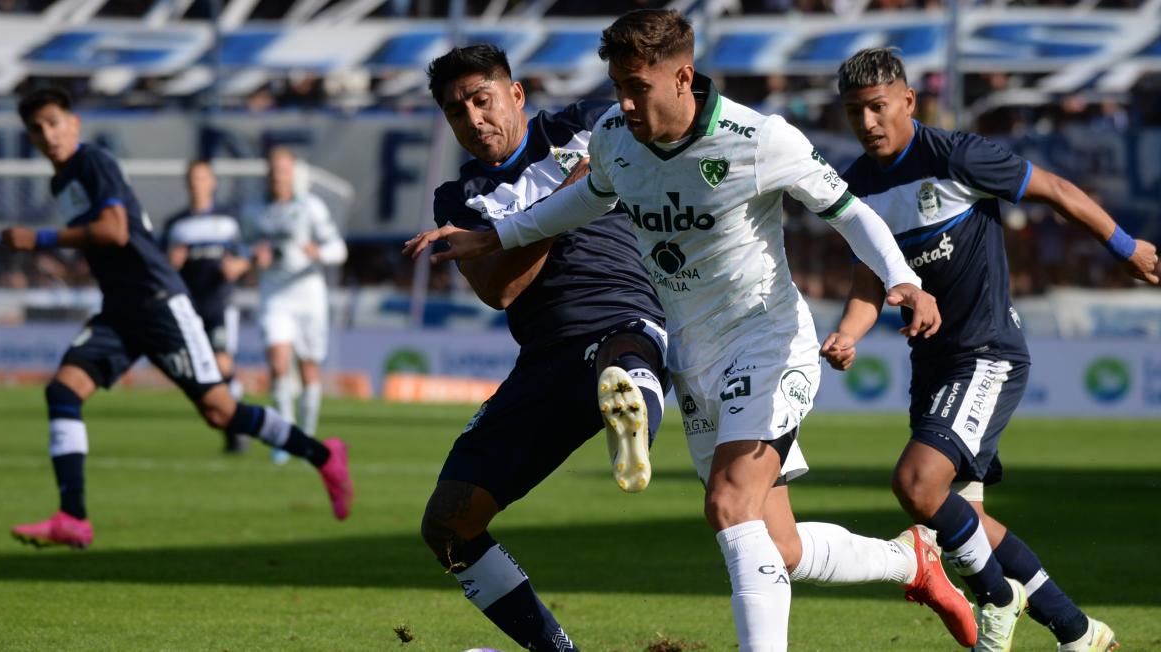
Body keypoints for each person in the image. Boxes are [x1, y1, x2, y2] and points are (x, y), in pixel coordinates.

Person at [406, 12, 976, 650]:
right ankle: (911, 562)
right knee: (775, 544)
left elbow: (847, 209)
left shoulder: (753, 137)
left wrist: (902, 277)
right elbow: (580, 202)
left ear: (681, 77)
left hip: (758, 338)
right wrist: (495, 233)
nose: (623, 102)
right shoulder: (613, 138)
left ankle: (637, 398)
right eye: (617, 87)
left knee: (727, 504)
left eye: (637, 87)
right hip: (686, 352)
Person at [824, 48, 1158, 652]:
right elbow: (868, 285)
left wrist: (1126, 246)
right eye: (854, 113)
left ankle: (997, 599)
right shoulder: (856, 189)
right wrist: (848, 334)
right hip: (932, 366)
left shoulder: (956, 155)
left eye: (877, 108)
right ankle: (1078, 632)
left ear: (907, 101)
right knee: (963, 519)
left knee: (917, 485)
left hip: (986, 352)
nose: (867, 123)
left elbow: (1055, 189)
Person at [2, 89, 354, 549]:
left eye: (53, 122)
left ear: (74, 123)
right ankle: (73, 517)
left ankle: (324, 455)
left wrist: (41, 238)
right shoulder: (61, 182)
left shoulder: (93, 163)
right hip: (122, 310)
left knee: (220, 411)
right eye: (37, 128)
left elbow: (115, 229)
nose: (47, 134)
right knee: (63, 391)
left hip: (158, 303)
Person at [414, 45, 671, 651]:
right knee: (448, 524)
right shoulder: (459, 201)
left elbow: (662, 117)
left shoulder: (584, 125)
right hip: (544, 360)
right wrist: (566, 202)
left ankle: (635, 420)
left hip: (626, 312)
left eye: (482, 100)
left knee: (624, 363)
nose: (473, 119)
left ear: (517, 95)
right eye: (456, 112)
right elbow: (502, 288)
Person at [244, 147, 347, 464]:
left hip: (308, 295)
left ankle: (306, 435)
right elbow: (243, 243)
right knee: (277, 363)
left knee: (308, 367)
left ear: (292, 174)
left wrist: (319, 253)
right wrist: (253, 255)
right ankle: (285, 439)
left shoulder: (310, 208)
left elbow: (338, 249)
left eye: (284, 170)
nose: (279, 176)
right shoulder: (254, 210)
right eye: (274, 170)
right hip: (274, 294)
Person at [160, 160, 251, 453]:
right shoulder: (176, 224)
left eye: (203, 178)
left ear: (212, 182)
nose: (198, 184)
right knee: (203, 373)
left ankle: (237, 430)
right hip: (187, 307)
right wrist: (171, 263)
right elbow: (161, 266)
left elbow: (246, 255)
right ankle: (227, 420)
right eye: (193, 179)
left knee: (223, 364)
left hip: (219, 304)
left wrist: (237, 266)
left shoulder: (228, 220)